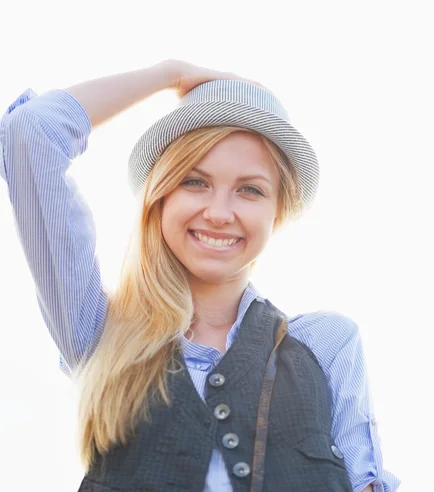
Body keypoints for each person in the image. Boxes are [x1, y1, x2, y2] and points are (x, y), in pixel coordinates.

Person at [0, 59, 400, 491]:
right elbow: (31, 132)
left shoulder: (325, 344)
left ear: (277, 211)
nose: (219, 213)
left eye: (250, 190)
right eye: (195, 182)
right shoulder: (100, 333)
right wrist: (169, 74)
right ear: (161, 196)